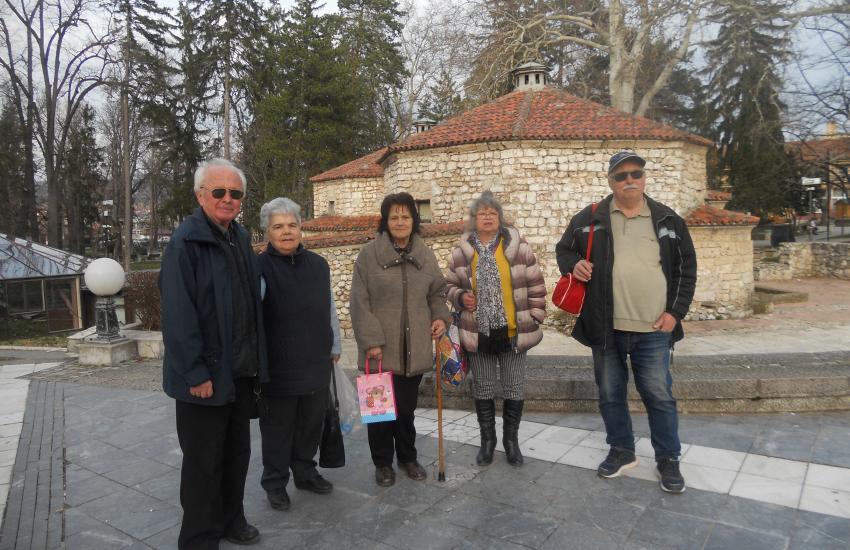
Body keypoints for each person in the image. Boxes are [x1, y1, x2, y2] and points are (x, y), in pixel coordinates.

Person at [555, 151, 697, 494]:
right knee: (609, 394)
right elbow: (564, 250)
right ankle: (621, 450)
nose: (629, 180)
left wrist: (675, 313)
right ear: (610, 181)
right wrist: (573, 265)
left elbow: (686, 270)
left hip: (654, 328)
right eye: (621, 176)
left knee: (659, 396)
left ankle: (668, 459)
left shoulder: (668, 220)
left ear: (644, 178)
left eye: (636, 173)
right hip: (606, 327)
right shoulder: (589, 218)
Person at [159, 158, 268, 548]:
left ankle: (231, 520)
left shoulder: (239, 237)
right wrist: (196, 373)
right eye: (218, 191)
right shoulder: (185, 243)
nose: (227, 199)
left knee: (236, 455)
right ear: (200, 195)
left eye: (235, 193)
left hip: (238, 373)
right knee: (203, 464)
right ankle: (199, 538)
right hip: (204, 378)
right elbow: (178, 316)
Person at [349, 192, 451, 487]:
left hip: (413, 349)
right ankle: (382, 463)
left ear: (414, 220)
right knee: (379, 413)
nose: (400, 221)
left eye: (405, 216)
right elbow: (359, 301)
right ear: (385, 221)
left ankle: (407, 457)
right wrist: (371, 340)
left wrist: (440, 317)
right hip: (379, 351)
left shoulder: (425, 255)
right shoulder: (369, 256)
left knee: (405, 411)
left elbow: (437, 293)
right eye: (393, 216)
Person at [445, 191, 547, 467]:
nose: (488, 217)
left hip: (514, 330)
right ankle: (487, 442)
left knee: (514, 387)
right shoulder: (462, 252)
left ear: (500, 218)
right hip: (478, 331)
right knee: (484, 387)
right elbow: (449, 285)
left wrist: (535, 316)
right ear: (474, 219)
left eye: (493, 213)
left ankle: (511, 442)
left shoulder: (518, 246)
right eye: (482, 213)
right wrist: (460, 297)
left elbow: (536, 282)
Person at [256, 197, 342, 512]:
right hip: (278, 367)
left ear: (301, 228)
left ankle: (305, 472)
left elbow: (328, 308)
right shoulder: (258, 268)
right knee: (278, 430)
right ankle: (275, 482)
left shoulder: (318, 265)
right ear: (267, 232)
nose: (287, 232)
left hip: (316, 360)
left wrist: (335, 345)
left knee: (310, 425)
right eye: (278, 226)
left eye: (292, 225)